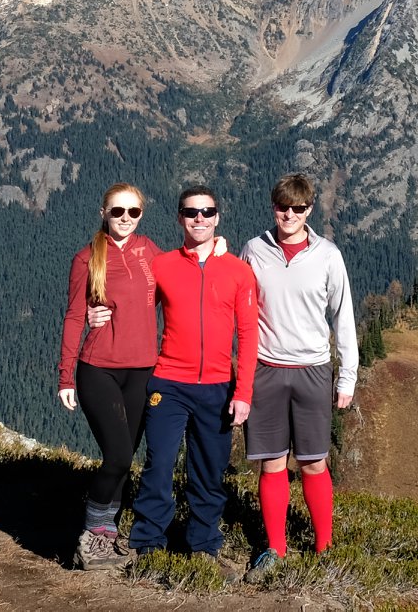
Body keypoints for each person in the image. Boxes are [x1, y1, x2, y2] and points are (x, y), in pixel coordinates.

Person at [125, 185, 260, 561]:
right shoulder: (162, 265)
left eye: (206, 212)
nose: (198, 218)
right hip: (168, 382)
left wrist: (243, 392)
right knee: (159, 465)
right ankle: (147, 543)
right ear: (179, 218)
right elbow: (133, 307)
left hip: (218, 386)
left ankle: (203, 546)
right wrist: (96, 313)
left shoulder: (239, 272)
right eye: (190, 212)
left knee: (208, 472)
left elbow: (249, 335)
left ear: (217, 217)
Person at [239, 172, 357, 583]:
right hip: (267, 371)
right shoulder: (254, 249)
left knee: (313, 463)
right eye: (282, 206)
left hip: (312, 370)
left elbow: (343, 317)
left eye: (298, 208)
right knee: (271, 465)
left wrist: (347, 379)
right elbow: (239, 310)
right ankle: (275, 548)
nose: (288, 214)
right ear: (273, 206)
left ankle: (324, 547)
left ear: (309, 211)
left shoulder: (328, 255)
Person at [57, 182, 161, 571]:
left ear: (141, 214)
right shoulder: (86, 258)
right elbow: (72, 316)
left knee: (125, 458)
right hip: (98, 369)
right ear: (104, 212)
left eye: (133, 212)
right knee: (117, 457)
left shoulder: (149, 251)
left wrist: (212, 251)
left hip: (143, 370)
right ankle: (90, 535)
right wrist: (66, 377)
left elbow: (180, 285)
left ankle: (108, 535)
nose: (125, 219)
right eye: (117, 211)